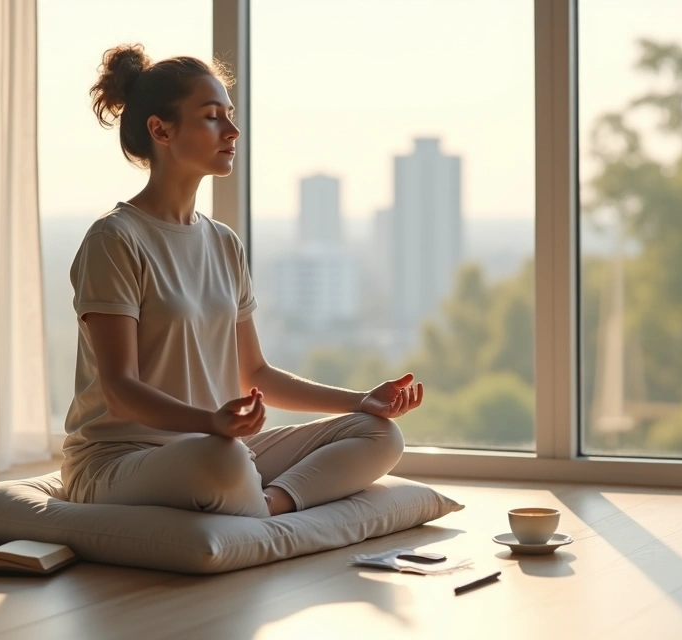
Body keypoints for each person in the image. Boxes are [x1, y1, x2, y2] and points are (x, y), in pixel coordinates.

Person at [59, 44, 425, 518]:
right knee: (225, 459)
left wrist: (362, 400)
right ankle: (248, 497)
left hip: (211, 446)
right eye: (213, 117)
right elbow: (120, 389)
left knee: (378, 434)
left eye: (229, 115)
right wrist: (212, 422)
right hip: (119, 461)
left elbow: (255, 374)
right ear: (160, 129)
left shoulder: (224, 243)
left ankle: (268, 507)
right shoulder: (115, 239)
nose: (233, 131)